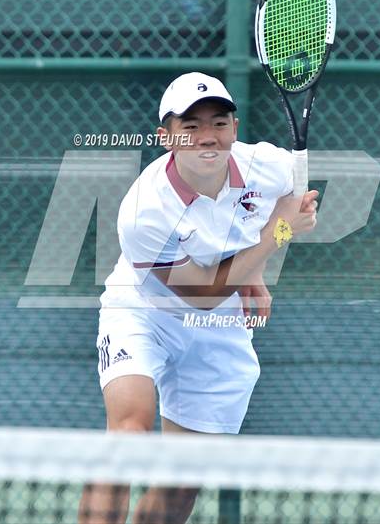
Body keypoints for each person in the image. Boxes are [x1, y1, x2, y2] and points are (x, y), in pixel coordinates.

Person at [78, 72, 318, 524]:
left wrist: (256, 272)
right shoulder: (143, 212)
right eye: (191, 127)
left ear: (236, 128)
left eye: (219, 123)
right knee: (127, 436)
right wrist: (277, 235)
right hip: (143, 311)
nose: (207, 137)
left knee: (183, 477)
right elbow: (203, 292)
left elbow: (288, 195)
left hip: (219, 326)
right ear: (165, 137)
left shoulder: (267, 165)